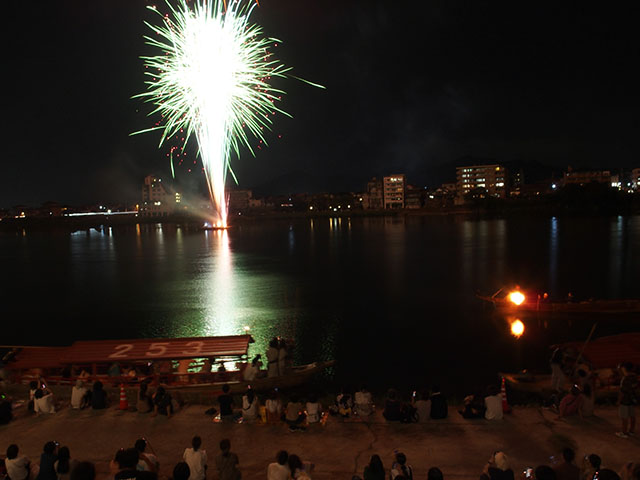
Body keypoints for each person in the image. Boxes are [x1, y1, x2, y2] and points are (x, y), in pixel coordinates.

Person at [616, 361, 638, 438]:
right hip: (632, 399)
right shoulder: (635, 377)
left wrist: (618, 401)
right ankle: (631, 431)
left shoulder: (625, 379)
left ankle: (624, 432)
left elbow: (622, 392)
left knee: (624, 417)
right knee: (632, 416)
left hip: (625, 400)